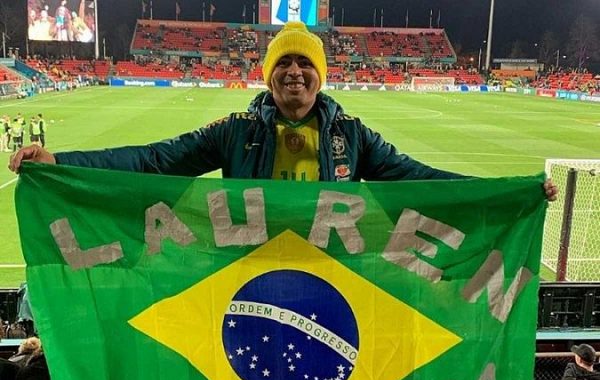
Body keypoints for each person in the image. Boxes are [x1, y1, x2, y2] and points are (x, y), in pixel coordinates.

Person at [7, 21, 558, 200]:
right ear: (268, 75)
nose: (294, 72)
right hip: (249, 271)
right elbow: (155, 160)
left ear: (321, 74)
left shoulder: (352, 135)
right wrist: (61, 161)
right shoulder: (236, 130)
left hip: (326, 272)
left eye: (305, 63)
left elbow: (417, 177)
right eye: (283, 63)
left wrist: (508, 191)